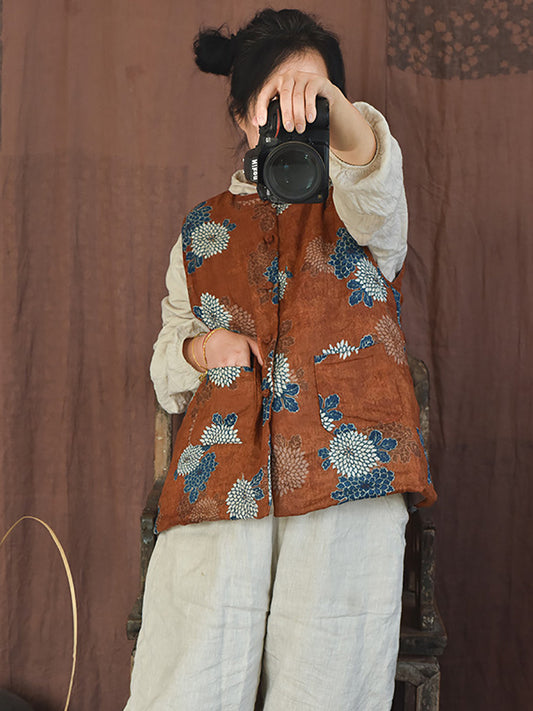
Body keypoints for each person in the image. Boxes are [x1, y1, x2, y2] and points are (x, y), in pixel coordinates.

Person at [125, 8, 436, 711]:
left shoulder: (364, 207)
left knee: (326, 685)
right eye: (276, 103)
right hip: (220, 478)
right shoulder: (201, 229)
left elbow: (372, 174)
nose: (294, 119)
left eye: (313, 102)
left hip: (348, 475)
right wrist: (202, 348)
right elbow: (166, 361)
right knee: (189, 681)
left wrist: (332, 109)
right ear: (243, 115)